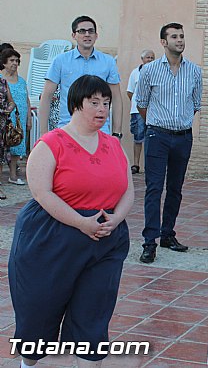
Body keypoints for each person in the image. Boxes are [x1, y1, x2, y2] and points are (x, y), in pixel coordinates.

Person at [8, 75, 133, 367]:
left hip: (104, 240)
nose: (102, 109)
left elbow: (128, 189)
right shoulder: (51, 143)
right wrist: (81, 222)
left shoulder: (114, 145)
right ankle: (29, 361)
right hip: (51, 238)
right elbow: (41, 193)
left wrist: (116, 219)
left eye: (106, 103)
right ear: (76, 104)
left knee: (94, 313)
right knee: (39, 310)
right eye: (94, 103)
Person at [136, 22, 202, 264]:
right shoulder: (150, 70)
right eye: (174, 36)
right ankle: (149, 242)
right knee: (154, 188)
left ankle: (168, 234)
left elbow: (195, 105)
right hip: (157, 136)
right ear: (163, 42)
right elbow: (141, 103)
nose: (180, 40)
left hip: (183, 137)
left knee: (175, 188)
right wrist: (157, 125)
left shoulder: (195, 71)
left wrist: (179, 124)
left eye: (182, 36)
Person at [40, 15, 123, 138]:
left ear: (96, 36)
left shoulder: (108, 61)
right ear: (74, 35)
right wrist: (43, 133)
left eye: (91, 31)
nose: (87, 34)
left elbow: (116, 98)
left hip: (100, 128)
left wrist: (117, 133)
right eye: (82, 31)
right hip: (68, 126)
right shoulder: (60, 61)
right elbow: (46, 96)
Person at [0, 49, 32, 186]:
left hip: (19, 118)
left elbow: (27, 99)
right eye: (12, 60)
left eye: (17, 61)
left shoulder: (22, 81)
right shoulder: (1, 79)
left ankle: (13, 176)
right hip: (4, 118)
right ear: (4, 62)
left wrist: (29, 118)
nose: (15, 63)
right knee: (2, 148)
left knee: (17, 147)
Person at [126, 49, 155, 174]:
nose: (150, 60)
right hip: (137, 110)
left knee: (153, 138)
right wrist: (138, 104)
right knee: (138, 137)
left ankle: (150, 166)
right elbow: (130, 92)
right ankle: (136, 164)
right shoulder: (135, 73)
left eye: (152, 58)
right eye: (147, 57)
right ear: (142, 59)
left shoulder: (157, 72)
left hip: (153, 110)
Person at [0, 75, 16, 200]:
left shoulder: (3, 82)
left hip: (2, 125)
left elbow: (11, 101)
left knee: (0, 157)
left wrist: (9, 107)